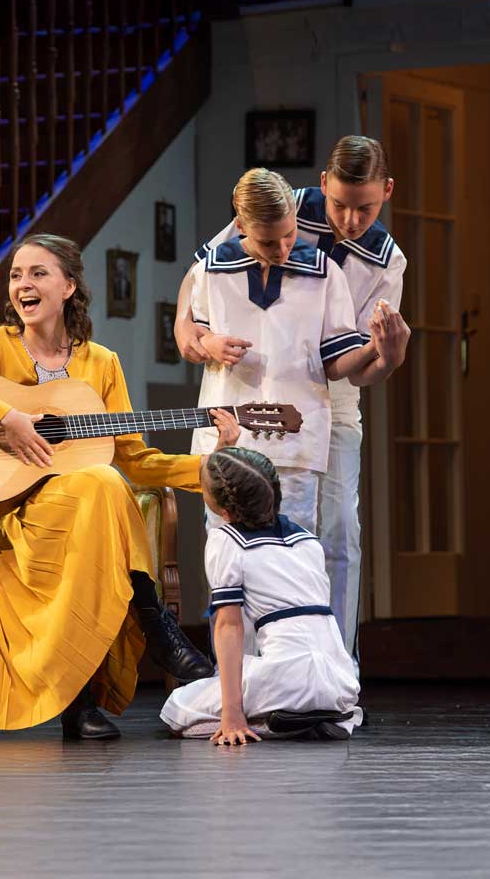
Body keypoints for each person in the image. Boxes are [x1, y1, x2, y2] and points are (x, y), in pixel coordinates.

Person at [0, 234, 240, 740]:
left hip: (87, 515)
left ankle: (81, 700)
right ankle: (152, 620)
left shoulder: (101, 363)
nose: (24, 283)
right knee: (102, 487)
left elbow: (132, 457)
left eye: (38, 273)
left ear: (68, 286)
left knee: (102, 483)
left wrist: (209, 466)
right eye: (17, 274)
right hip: (19, 515)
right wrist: (6, 418)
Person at [176, 137, 409, 659]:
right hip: (252, 384)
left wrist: (386, 353)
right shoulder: (277, 207)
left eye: (366, 208)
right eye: (340, 205)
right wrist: (197, 336)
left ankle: (334, 666)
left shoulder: (385, 261)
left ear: (387, 193)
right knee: (237, 529)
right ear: (322, 184)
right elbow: (196, 286)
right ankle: (245, 666)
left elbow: (352, 365)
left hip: (333, 386)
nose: (350, 220)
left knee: (336, 532)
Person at [184, 167, 396, 536]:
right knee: (225, 553)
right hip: (227, 437)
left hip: (297, 439)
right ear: (242, 225)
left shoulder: (325, 273)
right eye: (269, 242)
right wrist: (208, 344)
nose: (282, 249)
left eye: (289, 234)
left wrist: (375, 348)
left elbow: (335, 363)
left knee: (293, 557)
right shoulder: (211, 270)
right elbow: (191, 336)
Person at [161, 447, 362, 743]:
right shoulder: (308, 542)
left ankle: (269, 722)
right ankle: (312, 715)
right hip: (338, 680)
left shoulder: (226, 541)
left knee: (176, 709)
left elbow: (229, 626)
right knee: (261, 675)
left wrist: (231, 714)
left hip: (287, 678)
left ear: (225, 511)